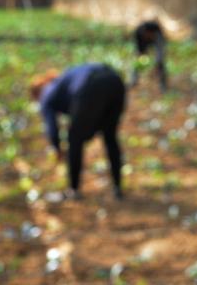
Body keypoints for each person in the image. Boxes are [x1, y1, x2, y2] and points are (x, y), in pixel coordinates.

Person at [32, 64, 126, 199]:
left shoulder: (47, 92)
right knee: (109, 135)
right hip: (115, 81)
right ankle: (117, 188)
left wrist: (57, 147)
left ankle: (73, 190)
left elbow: (52, 126)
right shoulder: (63, 80)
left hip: (91, 85)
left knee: (75, 139)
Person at [131, 20, 167, 91]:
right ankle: (134, 80)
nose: (149, 36)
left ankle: (163, 84)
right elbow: (139, 50)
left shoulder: (155, 30)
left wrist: (157, 63)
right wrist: (142, 57)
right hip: (143, 41)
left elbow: (160, 48)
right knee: (136, 62)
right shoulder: (138, 33)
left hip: (157, 39)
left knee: (160, 61)